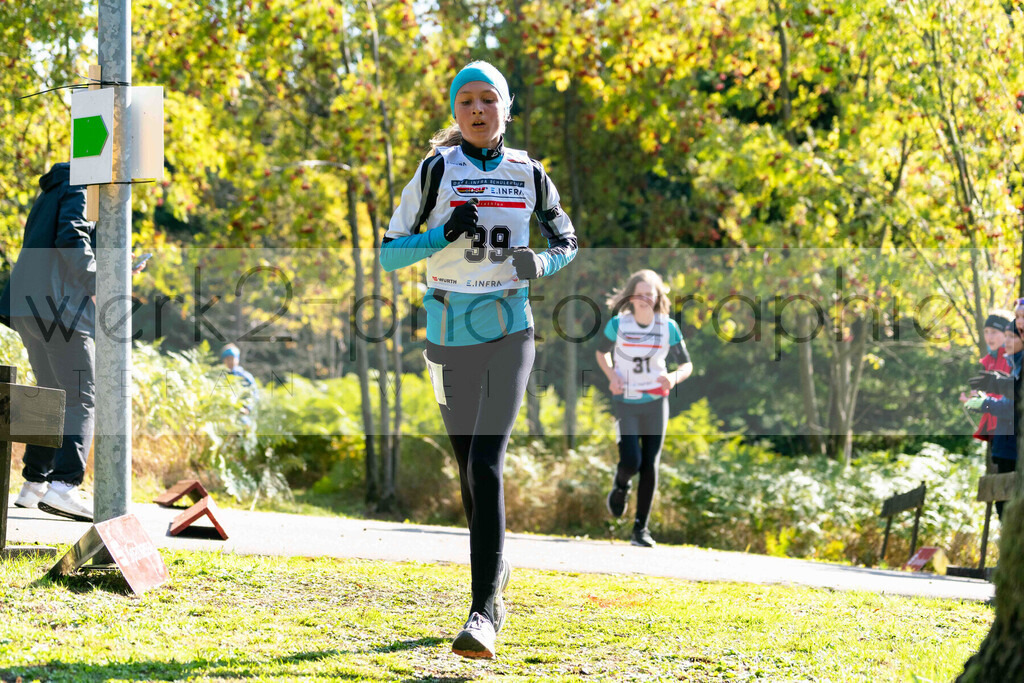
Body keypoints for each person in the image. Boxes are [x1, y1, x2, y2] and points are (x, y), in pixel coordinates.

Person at [380, 61, 577, 659]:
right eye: (465, 101)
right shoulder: (437, 169)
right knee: (469, 474)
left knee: (487, 464)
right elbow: (390, 256)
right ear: (454, 111)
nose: (476, 110)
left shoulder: (530, 173)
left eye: (487, 100)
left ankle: (483, 614)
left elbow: (565, 242)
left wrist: (539, 265)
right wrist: (440, 237)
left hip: (508, 329)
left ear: (505, 108)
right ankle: (497, 574)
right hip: (445, 335)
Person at [0, 162, 146, 522]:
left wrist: (112, 264)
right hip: (57, 305)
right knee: (82, 394)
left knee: (51, 394)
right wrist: (101, 282)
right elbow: (71, 237)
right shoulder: (82, 185)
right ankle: (64, 486)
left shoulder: (52, 188)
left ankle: (34, 483)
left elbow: (63, 239)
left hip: (26, 304)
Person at [595, 270, 692, 548]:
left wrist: (673, 377)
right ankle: (621, 485)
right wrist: (612, 375)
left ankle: (641, 529)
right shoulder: (619, 324)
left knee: (650, 463)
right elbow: (601, 352)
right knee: (631, 461)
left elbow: (687, 364)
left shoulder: (668, 327)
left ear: (658, 297)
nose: (644, 299)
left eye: (650, 294)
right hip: (625, 400)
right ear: (631, 296)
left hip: (655, 400)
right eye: (639, 294)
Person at [967, 320, 1022, 520]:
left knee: (1011, 511)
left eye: (1012, 336)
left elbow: (1014, 407)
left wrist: (985, 404)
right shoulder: (1012, 363)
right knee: (1003, 510)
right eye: (1006, 336)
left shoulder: (1017, 365)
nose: (1006, 341)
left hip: (1014, 449)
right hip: (1002, 446)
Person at [220, 343, 258, 420]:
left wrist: (248, 408)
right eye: (228, 359)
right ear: (224, 360)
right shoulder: (221, 377)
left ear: (237, 359)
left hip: (243, 415)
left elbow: (254, 395)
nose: (230, 361)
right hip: (224, 416)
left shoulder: (245, 377)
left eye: (232, 358)